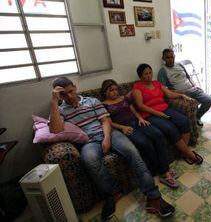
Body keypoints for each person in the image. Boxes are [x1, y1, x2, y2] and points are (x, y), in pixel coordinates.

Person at [49, 77, 175, 220]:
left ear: (75, 87)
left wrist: (107, 138)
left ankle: (153, 197)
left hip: (109, 134)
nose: (69, 96)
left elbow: (105, 120)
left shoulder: (92, 101)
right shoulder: (60, 110)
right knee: (89, 160)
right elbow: (55, 129)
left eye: (71, 91)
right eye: (64, 94)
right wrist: (54, 101)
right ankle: (114, 191)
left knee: (133, 153)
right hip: (88, 142)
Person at [101, 79, 179, 188]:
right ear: (105, 92)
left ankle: (164, 170)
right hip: (125, 127)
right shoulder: (103, 105)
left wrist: (140, 118)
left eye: (116, 89)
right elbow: (108, 122)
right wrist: (122, 128)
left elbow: (133, 111)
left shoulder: (124, 98)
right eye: (111, 90)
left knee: (158, 134)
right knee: (143, 142)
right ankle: (162, 172)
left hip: (137, 121)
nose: (114, 92)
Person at [131, 63, 203, 165]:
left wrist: (181, 95)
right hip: (149, 114)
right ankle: (190, 154)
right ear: (140, 76)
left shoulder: (156, 83)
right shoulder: (137, 88)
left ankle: (183, 152)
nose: (149, 76)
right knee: (170, 128)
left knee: (184, 121)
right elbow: (139, 105)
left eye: (150, 73)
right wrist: (158, 113)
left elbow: (169, 94)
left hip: (164, 109)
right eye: (145, 74)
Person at [158, 48, 211, 126]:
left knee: (209, 100)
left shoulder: (179, 65)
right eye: (168, 58)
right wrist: (181, 93)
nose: (170, 59)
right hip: (182, 94)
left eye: (172, 57)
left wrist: (195, 85)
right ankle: (192, 121)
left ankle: (197, 116)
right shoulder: (162, 71)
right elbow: (164, 90)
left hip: (193, 89)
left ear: (174, 57)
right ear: (163, 58)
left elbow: (189, 77)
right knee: (193, 104)